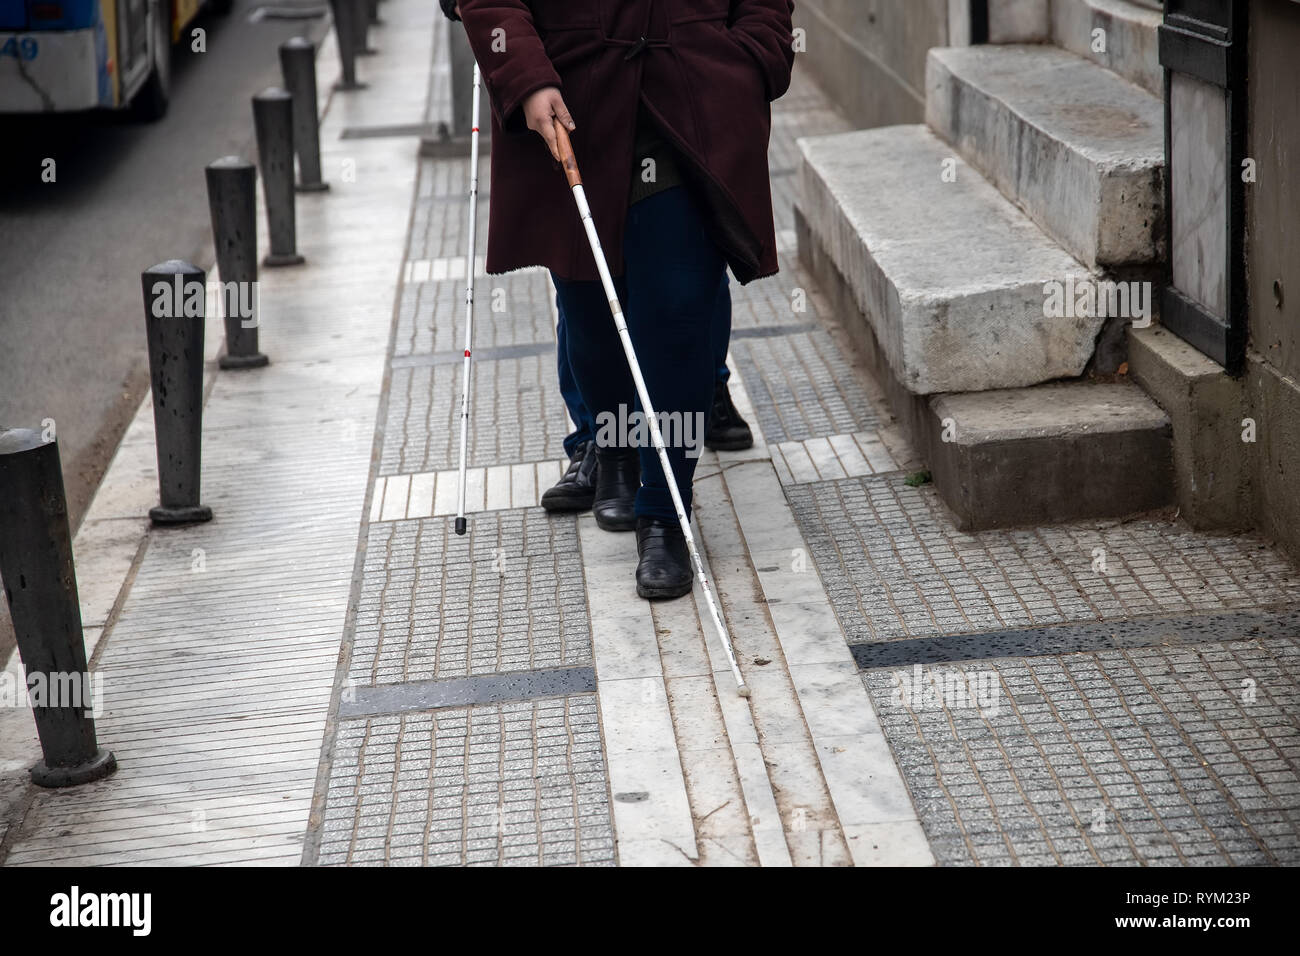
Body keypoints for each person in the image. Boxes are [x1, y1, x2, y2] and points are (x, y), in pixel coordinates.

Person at [447, 0, 794, 599]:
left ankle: (665, 513)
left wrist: (754, 56)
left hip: (694, 98)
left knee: (680, 312)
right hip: (573, 96)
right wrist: (526, 77)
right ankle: (612, 447)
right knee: (590, 313)